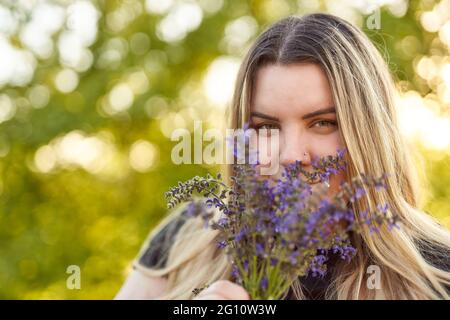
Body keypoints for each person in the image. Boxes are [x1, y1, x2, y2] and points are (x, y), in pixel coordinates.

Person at [115, 13, 450, 300]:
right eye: (266, 127)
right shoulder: (188, 242)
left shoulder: (437, 272)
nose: (290, 155)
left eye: (322, 123)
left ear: (368, 133)